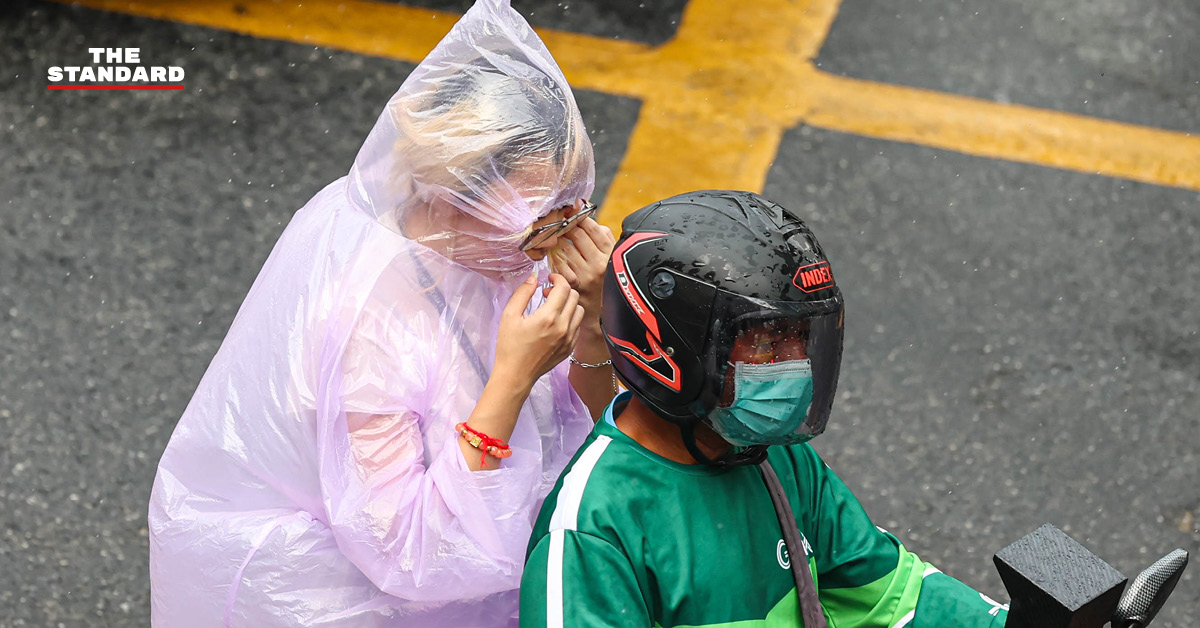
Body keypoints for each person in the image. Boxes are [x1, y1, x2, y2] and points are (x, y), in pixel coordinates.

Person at [148, 1, 616, 626]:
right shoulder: (371, 331)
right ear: (452, 196)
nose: (563, 233)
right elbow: (411, 552)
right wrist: (511, 379)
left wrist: (595, 325)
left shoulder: (497, 261)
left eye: (572, 207)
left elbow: (580, 443)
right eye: (539, 216)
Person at [520, 190, 1010, 627]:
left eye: (800, 340)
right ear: (677, 349)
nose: (795, 367)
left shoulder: (779, 457)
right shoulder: (592, 532)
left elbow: (893, 597)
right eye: (767, 343)